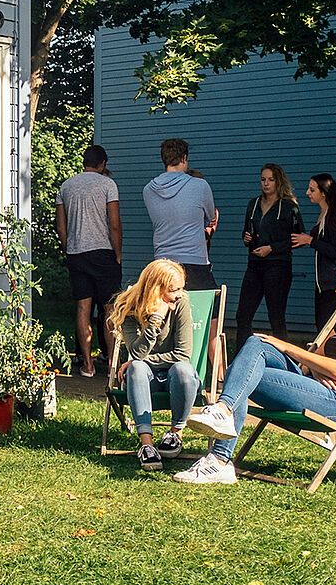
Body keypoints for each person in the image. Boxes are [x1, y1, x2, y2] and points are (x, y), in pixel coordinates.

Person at [175, 258, 336, 485]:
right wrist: (315, 368)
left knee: (243, 375)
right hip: (315, 385)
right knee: (257, 344)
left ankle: (220, 456)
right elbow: (316, 361)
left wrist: (287, 347)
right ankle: (223, 420)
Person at [109, 259, 199, 471]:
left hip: (175, 379)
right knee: (137, 369)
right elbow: (137, 353)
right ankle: (147, 446)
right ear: (156, 289)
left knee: (183, 369)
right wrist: (155, 322)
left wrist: (137, 360)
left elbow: (183, 355)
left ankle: (175, 434)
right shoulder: (129, 306)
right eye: (174, 289)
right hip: (144, 380)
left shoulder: (181, 304)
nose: (180, 294)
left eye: (181, 288)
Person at [55, 145, 122, 377]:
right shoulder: (108, 185)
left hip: (77, 253)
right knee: (110, 309)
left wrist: (68, 247)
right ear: (102, 163)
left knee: (83, 307)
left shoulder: (66, 186)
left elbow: (61, 227)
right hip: (103, 253)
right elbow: (114, 224)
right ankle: (113, 366)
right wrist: (118, 253)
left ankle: (87, 365)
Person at [234, 164, 305, 346]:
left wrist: (272, 248)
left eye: (270, 180)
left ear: (278, 181)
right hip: (254, 264)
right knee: (242, 315)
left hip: (278, 265)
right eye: (263, 179)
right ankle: (243, 356)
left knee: (276, 316)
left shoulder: (289, 207)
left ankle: (283, 361)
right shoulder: (253, 204)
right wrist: (246, 238)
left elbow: (298, 239)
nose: (266, 184)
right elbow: (245, 232)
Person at [143, 138, 218, 290]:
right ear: (184, 158)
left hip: (162, 262)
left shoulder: (148, 190)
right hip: (194, 261)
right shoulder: (200, 185)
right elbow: (210, 218)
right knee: (208, 309)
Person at [291, 174, 336, 331]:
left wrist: (310, 241)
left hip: (335, 283)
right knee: (322, 326)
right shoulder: (324, 214)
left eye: (312, 190)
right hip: (323, 283)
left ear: (324, 193)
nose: (307, 193)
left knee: (329, 328)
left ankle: (332, 354)